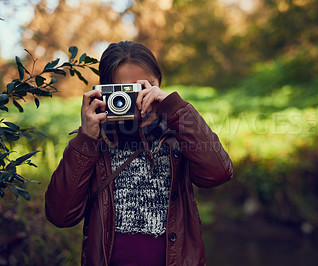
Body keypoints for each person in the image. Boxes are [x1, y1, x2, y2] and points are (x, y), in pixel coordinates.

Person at [45, 41, 234, 266]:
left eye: (144, 87)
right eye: (124, 91)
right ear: (105, 93)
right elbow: (60, 215)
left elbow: (219, 173)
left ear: (159, 85)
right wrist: (86, 139)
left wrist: (176, 109)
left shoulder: (177, 135)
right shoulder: (95, 143)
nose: (137, 99)